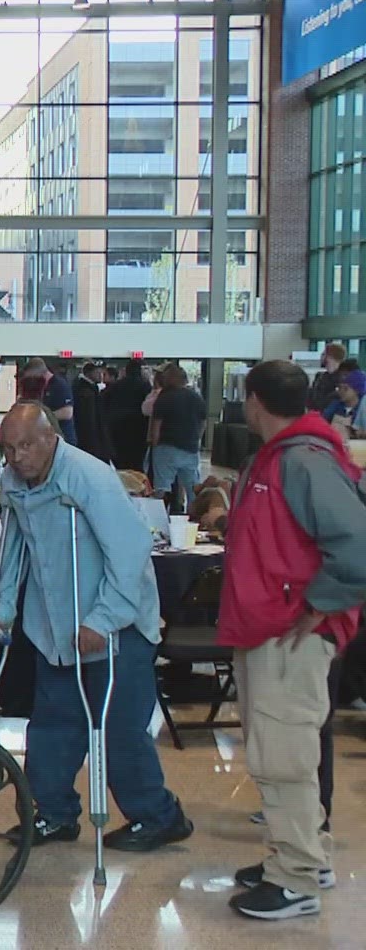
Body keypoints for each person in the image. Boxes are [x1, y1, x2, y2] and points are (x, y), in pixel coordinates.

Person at [0, 403, 193, 851]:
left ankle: (159, 816)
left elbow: (132, 548)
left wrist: (103, 618)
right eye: (9, 449)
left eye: (25, 446)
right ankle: (56, 815)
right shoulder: (14, 482)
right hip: (55, 629)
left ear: (51, 439)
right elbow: (14, 547)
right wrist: (2, 610)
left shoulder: (89, 477)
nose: (17, 457)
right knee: (51, 729)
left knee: (119, 732)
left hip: (116, 629)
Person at [218, 360, 366, 920]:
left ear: (254, 401)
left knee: (285, 755)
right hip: (268, 629)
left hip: (289, 634)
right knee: (276, 753)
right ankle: (298, 854)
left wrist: (316, 605)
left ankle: (296, 878)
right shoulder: (282, 456)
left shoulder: (304, 460)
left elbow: (356, 546)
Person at [148, 363, 208, 514]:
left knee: (162, 488)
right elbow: (203, 423)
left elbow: (156, 425)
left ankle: (158, 518)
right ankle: (194, 520)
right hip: (190, 449)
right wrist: (196, 439)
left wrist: (155, 445)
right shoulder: (196, 397)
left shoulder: (164, 397)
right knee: (192, 489)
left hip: (166, 448)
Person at [105, 362, 153, 473]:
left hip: (117, 428)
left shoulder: (115, 386)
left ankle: (124, 484)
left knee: (121, 462)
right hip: (139, 428)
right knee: (137, 463)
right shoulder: (145, 386)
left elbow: (104, 403)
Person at [74, 361, 113, 463]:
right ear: (88, 372)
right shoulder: (86, 393)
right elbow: (90, 422)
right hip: (91, 444)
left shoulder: (90, 390)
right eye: (98, 371)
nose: (101, 375)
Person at [309, 343, 345, 418]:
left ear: (330, 356)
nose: (321, 357)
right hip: (316, 414)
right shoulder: (320, 376)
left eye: (323, 354)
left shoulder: (343, 379)